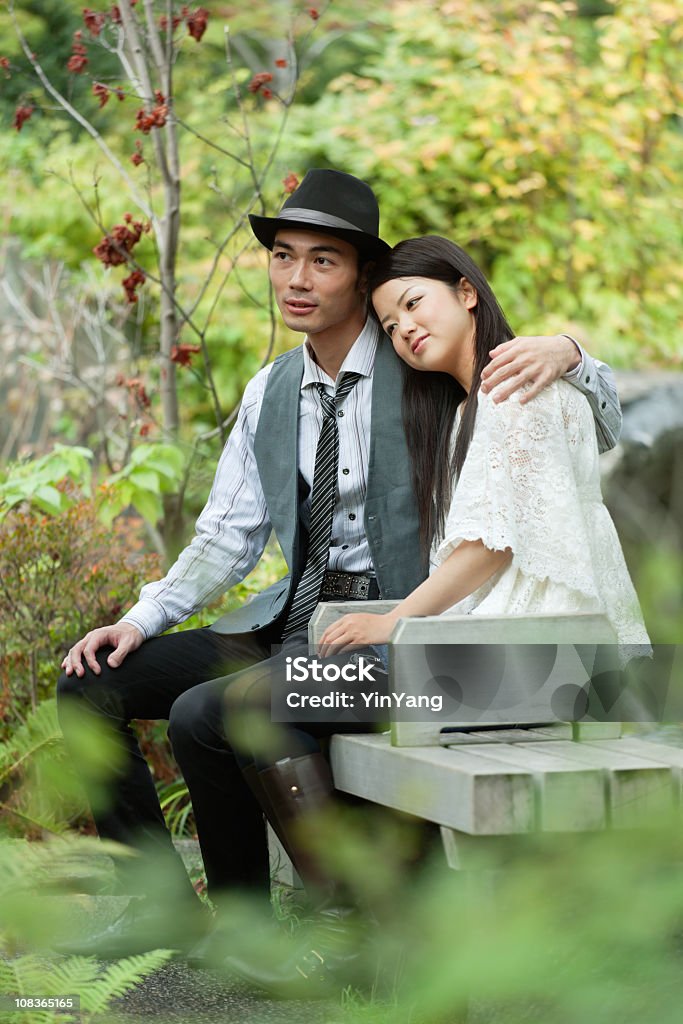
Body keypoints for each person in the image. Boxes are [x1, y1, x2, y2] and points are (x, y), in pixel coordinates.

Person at [55, 172, 621, 985]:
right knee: (92, 684)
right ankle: (161, 905)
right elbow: (228, 533)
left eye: (323, 261)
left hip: (400, 627)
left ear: (363, 274)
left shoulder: (422, 356)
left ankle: (301, 926)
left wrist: (570, 350)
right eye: (284, 258)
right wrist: (142, 618)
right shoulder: (270, 389)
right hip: (297, 621)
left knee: (202, 715)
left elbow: (564, 419)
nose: (296, 278)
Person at [319, 236, 650, 663]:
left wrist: (392, 622)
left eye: (413, 303)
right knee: (294, 694)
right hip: (523, 637)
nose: (405, 329)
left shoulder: (513, 388)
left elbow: (489, 545)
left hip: (536, 646)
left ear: (467, 292)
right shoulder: (466, 410)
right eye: (391, 328)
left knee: (288, 696)